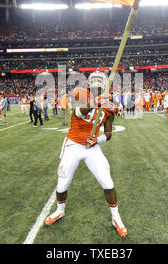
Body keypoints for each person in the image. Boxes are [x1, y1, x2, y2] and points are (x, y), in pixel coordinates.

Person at [44, 71, 127, 237]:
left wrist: (98, 140)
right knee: (62, 183)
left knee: (107, 181)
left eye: (99, 86)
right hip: (73, 144)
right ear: (88, 84)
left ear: (104, 86)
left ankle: (116, 217)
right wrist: (95, 102)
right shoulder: (80, 94)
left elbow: (109, 134)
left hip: (91, 147)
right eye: (93, 85)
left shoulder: (109, 106)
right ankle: (60, 210)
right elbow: (77, 113)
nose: (95, 88)